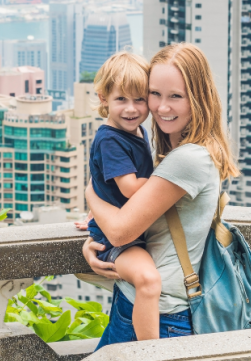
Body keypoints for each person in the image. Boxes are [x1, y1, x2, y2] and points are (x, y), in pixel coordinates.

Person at [83, 43, 239, 348]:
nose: (161, 107)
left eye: (176, 96)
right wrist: (92, 242)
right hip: (138, 302)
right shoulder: (174, 150)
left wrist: (90, 192)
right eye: (155, 94)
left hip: (163, 315)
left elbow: (119, 230)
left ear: (198, 99)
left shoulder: (187, 159)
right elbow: (138, 216)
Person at [75, 51, 162, 341]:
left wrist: (92, 210)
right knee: (148, 282)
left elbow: (101, 181)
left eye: (139, 99)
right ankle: (153, 352)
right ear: (103, 98)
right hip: (118, 240)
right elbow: (129, 188)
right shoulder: (111, 139)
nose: (131, 109)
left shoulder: (137, 131)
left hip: (129, 227)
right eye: (121, 99)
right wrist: (169, 179)